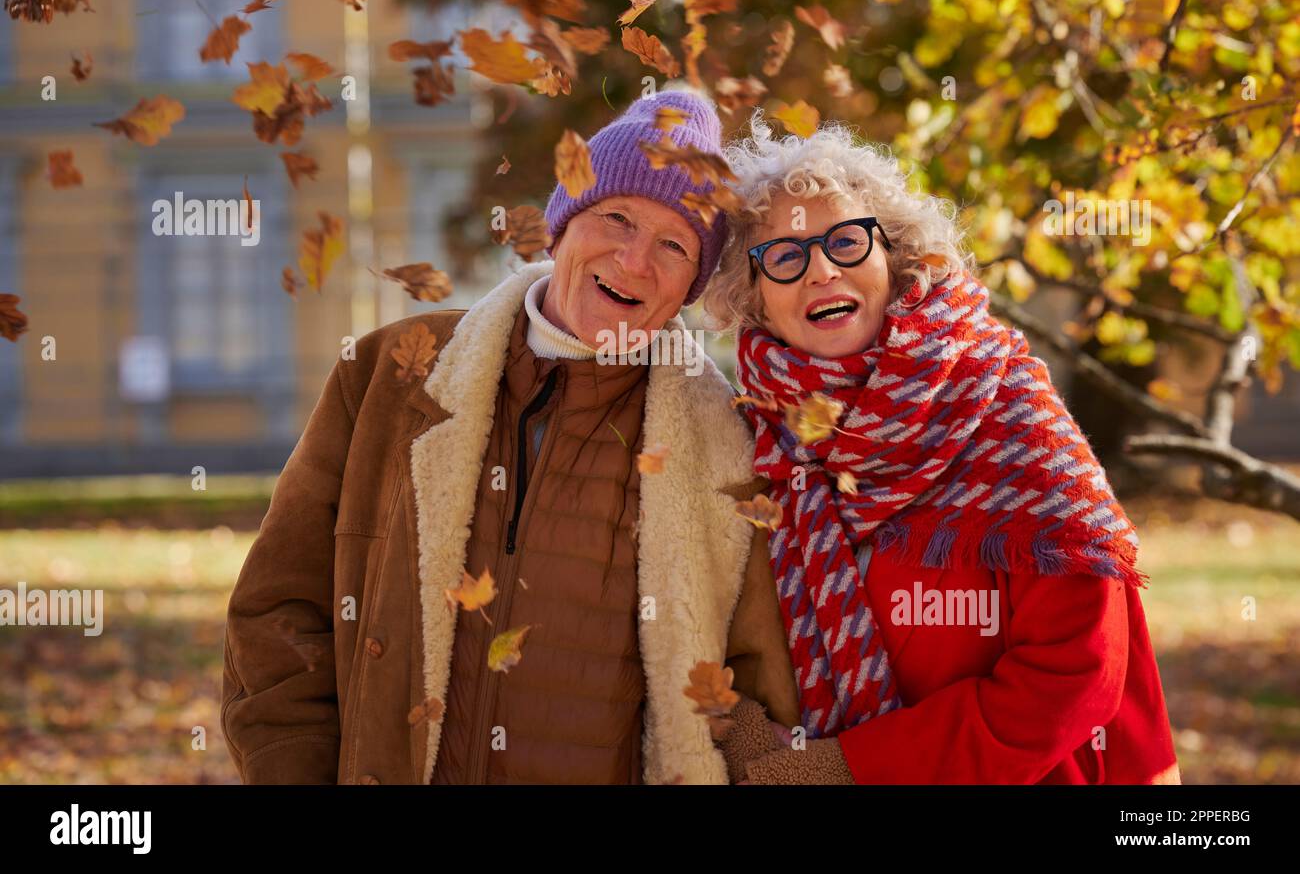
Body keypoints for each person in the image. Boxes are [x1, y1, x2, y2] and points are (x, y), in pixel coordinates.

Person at [220, 87, 799, 784]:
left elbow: (754, 694)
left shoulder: (726, 449)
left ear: (690, 286)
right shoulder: (391, 375)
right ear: (562, 225)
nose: (635, 260)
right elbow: (279, 611)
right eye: (616, 217)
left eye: (673, 244)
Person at [701, 111, 1180, 784]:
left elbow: (1078, 669)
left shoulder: (1006, 410)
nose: (819, 271)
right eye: (784, 256)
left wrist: (853, 769)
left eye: (846, 241)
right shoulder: (759, 443)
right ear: (753, 298)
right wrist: (739, 717)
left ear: (893, 259)